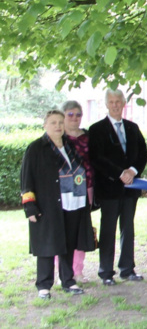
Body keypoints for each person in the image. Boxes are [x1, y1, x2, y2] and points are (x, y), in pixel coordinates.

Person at [21, 110, 94, 299]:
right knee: (47, 244)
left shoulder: (70, 146)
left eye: (61, 122)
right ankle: (44, 285)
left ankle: (68, 281)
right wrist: (30, 206)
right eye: (53, 122)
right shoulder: (36, 148)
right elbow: (26, 179)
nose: (58, 126)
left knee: (68, 244)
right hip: (48, 204)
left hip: (73, 203)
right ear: (45, 125)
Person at [89, 89, 147, 286]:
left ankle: (127, 269)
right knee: (108, 230)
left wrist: (132, 170)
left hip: (130, 189)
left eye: (118, 101)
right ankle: (106, 272)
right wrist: (119, 173)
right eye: (111, 102)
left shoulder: (132, 128)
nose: (115, 105)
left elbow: (142, 154)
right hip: (109, 189)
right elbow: (97, 158)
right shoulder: (96, 129)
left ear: (124, 104)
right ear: (106, 104)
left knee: (128, 229)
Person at [54, 101, 93, 283]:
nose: (74, 118)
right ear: (63, 116)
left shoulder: (88, 137)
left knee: (81, 231)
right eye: (70, 114)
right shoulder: (57, 139)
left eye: (78, 114)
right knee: (62, 231)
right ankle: (64, 272)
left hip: (86, 190)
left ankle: (78, 270)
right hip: (63, 192)